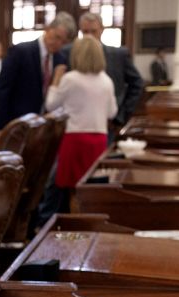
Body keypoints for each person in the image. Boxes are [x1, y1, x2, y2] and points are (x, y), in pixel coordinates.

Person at [45, 36, 116, 213]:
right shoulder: (106, 80)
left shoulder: (71, 78)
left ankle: (72, 228)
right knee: (91, 188)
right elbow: (112, 112)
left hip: (75, 138)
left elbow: (51, 105)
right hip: (99, 139)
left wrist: (55, 80)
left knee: (71, 189)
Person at [0, 12, 76, 130]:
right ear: (47, 29)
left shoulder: (61, 59)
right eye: (57, 37)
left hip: (47, 127)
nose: (58, 44)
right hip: (19, 124)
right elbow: (2, 91)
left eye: (63, 42)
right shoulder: (20, 52)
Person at [78, 12, 143, 137]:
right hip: (78, 126)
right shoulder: (71, 55)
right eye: (85, 32)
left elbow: (137, 84)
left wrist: (121, 116)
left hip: (109, 124)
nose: (90, 37)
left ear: (101, 30)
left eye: (93, 31)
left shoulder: (118, 55)